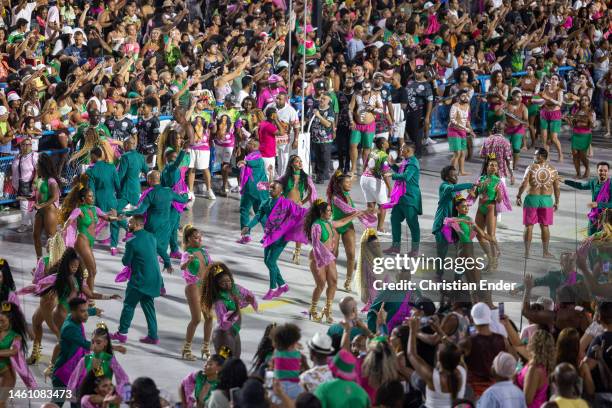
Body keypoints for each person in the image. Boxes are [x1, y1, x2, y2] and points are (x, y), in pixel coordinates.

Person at [242, 181, 308, 299]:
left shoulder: (287, 203)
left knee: (271, 261)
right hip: (269, 234)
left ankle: (273, 288)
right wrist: (248, 226)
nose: (270, 189)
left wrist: (314, 214)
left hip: (281, 236)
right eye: (270, 187)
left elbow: (300, 212)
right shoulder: (266, 202)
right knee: (267, 261)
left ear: (281, 191)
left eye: (273, 187)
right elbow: (258, 216)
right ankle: (282, 285)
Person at [304, 199, 363, 324]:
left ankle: (327, 309)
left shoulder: (328, 223)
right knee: (321, 285)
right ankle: (313, 309)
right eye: (328, 211)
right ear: (321, 212)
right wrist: (325, 258)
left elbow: (342, 222)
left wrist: (356, 214)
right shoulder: (316, 225)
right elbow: (316, 244)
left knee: (333, 282)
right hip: (317, 257)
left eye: (331, 211)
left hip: (328, 257)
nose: (330, 213)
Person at [110, 215, 163, 345]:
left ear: (138, 225)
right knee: (148, 305)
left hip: (140, 279)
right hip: (154, 279)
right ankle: (153, 335)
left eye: (131, 222)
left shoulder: (132, 241)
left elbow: (125, 261)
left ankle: (122, 333)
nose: (129, 224)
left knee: (129, 305)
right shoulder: (151, 237)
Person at [124, 170, 189, 274]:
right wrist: (185, 195)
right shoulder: (168, 191)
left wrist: (126, 213)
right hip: (165, 228)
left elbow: (140, 210)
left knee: (149, 254)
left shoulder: (150, 194)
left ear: (149, 180)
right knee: (160, 250)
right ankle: (161, 277)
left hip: (151, 227)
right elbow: (183, 200)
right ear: (159, 179)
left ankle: (147, 276)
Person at [59, 181, 120, 291]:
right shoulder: (79, 210)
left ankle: (75, 288)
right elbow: (69, 220)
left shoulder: (95, 209)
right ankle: (90, 297)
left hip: (90, 242)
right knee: (93, 271)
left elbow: (107, 218)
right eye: (90, 196)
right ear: (83, 198)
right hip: (82, 241)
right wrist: (63, 230)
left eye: (93, 196)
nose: (93, 198)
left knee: (82, 269)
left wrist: (117, 217)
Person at [406, 316, 466, 408]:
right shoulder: (462, 370)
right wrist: (439, 330)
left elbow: (411, 354)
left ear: (440, 360)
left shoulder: (434, 377)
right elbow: (454, 349)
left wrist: (412, 330)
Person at [201, 262, 258, 359]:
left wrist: (249, 300)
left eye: (228, 281)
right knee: (225, 362)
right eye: (223, 283)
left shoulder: (234, 290)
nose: (227, 284)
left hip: (234, 332)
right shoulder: (220, 301)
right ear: (217, 285)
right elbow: (224, 323)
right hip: (223, 335)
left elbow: (244, 297)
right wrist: (236, 308)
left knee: (235, 361)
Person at [468, 154, 512, 271]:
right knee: (478, 234)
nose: (493, 167)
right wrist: (471, 191)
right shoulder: (480, 179)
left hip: (490, 209)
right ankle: (490, 257)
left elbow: (499, 200)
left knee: (491, 235)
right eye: (491, 165)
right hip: (480, 209)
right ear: (487, 166)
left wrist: (499, 193)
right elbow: (475, 195)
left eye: (495, 166)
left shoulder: (498, 181)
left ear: (497, 169)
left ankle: (495, 256)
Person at [516, 148, 561, 258]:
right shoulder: (553, 170)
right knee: (545, 226)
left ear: (541, 156)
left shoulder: (531, 168)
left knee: (529, 226)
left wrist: (518, 195)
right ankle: (545, 252)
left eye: (535, 155)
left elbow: (523, 183)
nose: (533, 157)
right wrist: (557, 202)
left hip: (532, 199)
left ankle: (527, 253)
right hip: (547, 200)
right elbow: (557, 188)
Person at [432, 166, 474, 279]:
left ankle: (458, 277)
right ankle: (439, 274)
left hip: (455, 225)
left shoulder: (457, 190)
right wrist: (470, 184)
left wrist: (472, 195)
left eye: (456, 174)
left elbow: (463, 204)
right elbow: (450, 189)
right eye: (453, 175)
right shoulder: (444, 186)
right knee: (441, 253)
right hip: (443, 225)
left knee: (461, 252)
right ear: (447, 177)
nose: (456, 177)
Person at [463, 302, 514, 397]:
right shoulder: (502, 339)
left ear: (472, 319)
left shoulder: (468, 342)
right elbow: (513, 359)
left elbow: (451, 353)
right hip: (497, 390)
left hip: (475, 392)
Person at [67, 323, 129, 397]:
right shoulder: (86, 359)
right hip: (85, 397)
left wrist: (119, 394)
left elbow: (123, 378)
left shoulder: (109, 360)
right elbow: (74, 379)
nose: (95, 345)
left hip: (103, 398)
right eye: (93, 342)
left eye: (98, 342)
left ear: (105, 343)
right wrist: (71, 393)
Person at [180, 225, 214, 360]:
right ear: (188, 239)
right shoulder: (187, 253)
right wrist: (188, 262)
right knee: (196, 319)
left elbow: (211, 266)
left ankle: (206, 347)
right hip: (193, 287)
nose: (199, 240)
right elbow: (182, 267)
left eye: (200, 237)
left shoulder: (204, 251)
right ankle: (186, 348)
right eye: (196, 237)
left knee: (210, 317)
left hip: (205, 286)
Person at [51, 298, 94, 403]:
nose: (86, 314)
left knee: (76, 403)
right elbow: (87, 345)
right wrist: (111, 347)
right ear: (73, 312)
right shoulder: (70, 328)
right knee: (57, 403)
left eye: (86, 310)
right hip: (64, 373)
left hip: (75, 372)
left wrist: (94, 311)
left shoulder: (73, 318)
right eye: (83, 311)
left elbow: (82, 312)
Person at [382, 143, 422, 256]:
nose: (401, 149)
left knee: (412, 224)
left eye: (403, 148)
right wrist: (392, 164)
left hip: (409, 198)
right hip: (400, 197)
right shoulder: (406, 161)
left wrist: (391, 175)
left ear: (408, 150)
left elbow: (406, 176)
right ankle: (395, 247)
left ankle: (415, 249)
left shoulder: (413, 163)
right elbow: (400, 170)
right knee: (394, 219)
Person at [86, 147, 126, 256]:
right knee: (114, 221)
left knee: (93, 221)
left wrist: (91, 204)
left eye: (91, 155)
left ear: (94, 156)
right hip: (111, 199)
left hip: (98, 200)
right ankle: (113, 246)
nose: (90, 158)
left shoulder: (90, 171)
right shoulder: (111, 167)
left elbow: (91, 189)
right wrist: (119, 195)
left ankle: (89, 243)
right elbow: (117, 184)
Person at [277, 154, 316, 265]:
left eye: (300, 161)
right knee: (282, 231)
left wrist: (303, 202)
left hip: (298, 209)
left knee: (299, 231)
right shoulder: (285, 178)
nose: (300, 163)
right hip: (286, 208)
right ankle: (275, 251)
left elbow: (311, 193)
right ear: (291, 164)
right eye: (297, 161)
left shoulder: (305, 178)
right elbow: (275, 188)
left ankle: (297, 253)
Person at [0, 301, 37, 406]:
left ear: (10, 321)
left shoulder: (16, 336)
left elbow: (13, 351)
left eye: (2, 321)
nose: (0, 324)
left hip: (7, 375)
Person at [160, 141, 190, 259]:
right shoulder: (170, 168)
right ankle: (162, 252)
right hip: (172, 202)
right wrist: (183, 149)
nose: (175, 158)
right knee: (169, 228)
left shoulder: (165, 171)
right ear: (167, 158)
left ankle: (174, 250)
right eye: (173, 156)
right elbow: (177, 163)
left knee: (174, 227)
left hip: (175, 201)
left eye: (175, 156)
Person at [236, 139, 270, 245]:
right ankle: (268, 234)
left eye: (249, 144)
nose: (247, 146)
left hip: (252, 189)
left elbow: (253, 163)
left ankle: (245, 235)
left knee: (244, 210)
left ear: (254, 146)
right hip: (261, 190)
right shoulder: (254, 157)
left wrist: (244, 162)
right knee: (259, 212)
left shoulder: (256, 157)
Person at [564, 162, 611, 236]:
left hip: (607, 218)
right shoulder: (594, 182)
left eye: (605, 171)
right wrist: (565, 181)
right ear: (597, 171)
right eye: (601, 170)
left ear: (608, 172)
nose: (603, 173)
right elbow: (581, 186)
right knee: (590, 236)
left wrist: (598, 204)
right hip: (594, 215)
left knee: (602, 240)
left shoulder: (611, 184)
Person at [349, 79, 383, 176]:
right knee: (353, 145)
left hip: (369, 125)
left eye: (368, 87)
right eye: (364, 87)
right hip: (357, 124)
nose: (366, 89)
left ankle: (365, 168)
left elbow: (382, 110)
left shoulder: (376, 95)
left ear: (371, 87)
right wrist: (351, 121)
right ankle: (353, 168)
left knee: (367, 147)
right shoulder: (356, 95)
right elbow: (350, 109)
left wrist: (373, 109)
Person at [360, 137, 392, 234]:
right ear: (383, 145)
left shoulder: (372, 152)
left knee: (370, 205)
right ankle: (380, 229)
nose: (388, 143)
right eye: (386, 142)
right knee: (383, 205)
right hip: (375, 181)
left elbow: (364, 165)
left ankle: (369, 229)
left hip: (364, 179)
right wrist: (390, 188)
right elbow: (385, 173)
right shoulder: (384, 156)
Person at [400, 65, 434, 158]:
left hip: (418, 112)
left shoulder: (426, 85)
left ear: (423, 73)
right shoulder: (411, 82)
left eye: (419, 72)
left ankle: (417, 156)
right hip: (408, 112)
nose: (416, 73)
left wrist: (427, 117)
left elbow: (430, 101)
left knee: (417, 136)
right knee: (409, 134)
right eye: (415, 71)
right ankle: (411, 154)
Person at [516, 329, 555, 408]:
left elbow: (527, 400)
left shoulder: (534, 369)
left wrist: (513, 381)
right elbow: (517, 345)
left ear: (533, 344)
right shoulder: (543, 365)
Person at [32, 152, 61, 259]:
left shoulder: (51, 181)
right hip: (41, 211)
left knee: (51, 238)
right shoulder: (40, 179)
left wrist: (41, 205)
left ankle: (54, 261)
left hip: (50, 211)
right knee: (35, 236)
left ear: (43, 167)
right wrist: (29, 199)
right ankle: (39, 260)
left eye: (37, 166)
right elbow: (39, 195)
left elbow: (55, 197)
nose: (36, 168)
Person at [11, 137, 37, 233]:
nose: (25, 146)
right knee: (24, 204)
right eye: (23, 144)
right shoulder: (18, 156)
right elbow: (13, 167)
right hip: (19, 184)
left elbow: (38, 169)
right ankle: (28, 223)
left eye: (28, 144)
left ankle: (29, 224)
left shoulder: (33, 155)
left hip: (29, 183)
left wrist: (34, 181)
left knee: (27, 205)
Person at [271, 323, 302, 401]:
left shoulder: (276, 352)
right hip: (295, 386)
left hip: (279, 386)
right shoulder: (298, 354)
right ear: (292, 344)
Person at [116, 136, 149, 210]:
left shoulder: (125, 157)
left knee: (116, 211)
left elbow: (120, 175)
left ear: (126, 145)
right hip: (136, 189)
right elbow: (148, 173)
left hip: (126, 190)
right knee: (136, 213)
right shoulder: (141, 157)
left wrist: (114, 188)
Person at [447, 90, 475, 176]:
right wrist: (465, 129)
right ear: (458, 97)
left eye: (467, 96)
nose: (465, 97)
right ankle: (450, 172)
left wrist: (471, 130)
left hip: (463, 131)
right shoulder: (455, 106)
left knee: (463, 152)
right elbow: (452, 121)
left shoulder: (468, 106)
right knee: (457, 153)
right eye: (463, 96)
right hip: (454, 131)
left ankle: (461, 171)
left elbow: (467, 120)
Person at [568, 96, 596, 179]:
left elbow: (593, 126)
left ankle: (587, 168)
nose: (583, 101)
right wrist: (569, 121)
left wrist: (590, 120)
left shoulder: (592, 112)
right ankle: (578, 173)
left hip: (585, 135)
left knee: (583, 156)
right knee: (575, 155)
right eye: (582, 100)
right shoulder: (577, 111)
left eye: (586, 100)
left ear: (589, 102)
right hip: (576, 135)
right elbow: (573, 124)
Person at [539, 74, 564, 162]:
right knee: (544, 137)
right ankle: (547, 155)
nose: (553, 80)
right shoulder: (546, 89)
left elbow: (560, 103)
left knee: (553, 138)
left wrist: (549, 98)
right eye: (552, 78)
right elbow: (542, 100)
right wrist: (537, 102)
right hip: (545, 113)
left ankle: (560, 154)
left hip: (555, 114)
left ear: (558, 82)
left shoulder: (559, 91)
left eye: (555, 79)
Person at [504, 89, 528, 170]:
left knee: (516, 148)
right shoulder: (507, 105)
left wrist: (524, 123)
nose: (520, 98)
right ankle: (505, 164)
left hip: (518, 129)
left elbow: (526, 120)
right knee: (504, 148)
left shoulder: (523, 107)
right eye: (518, 97)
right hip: (507, 129)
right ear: (513, 97)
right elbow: (501, 115)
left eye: (521, 97)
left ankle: (514, 166)